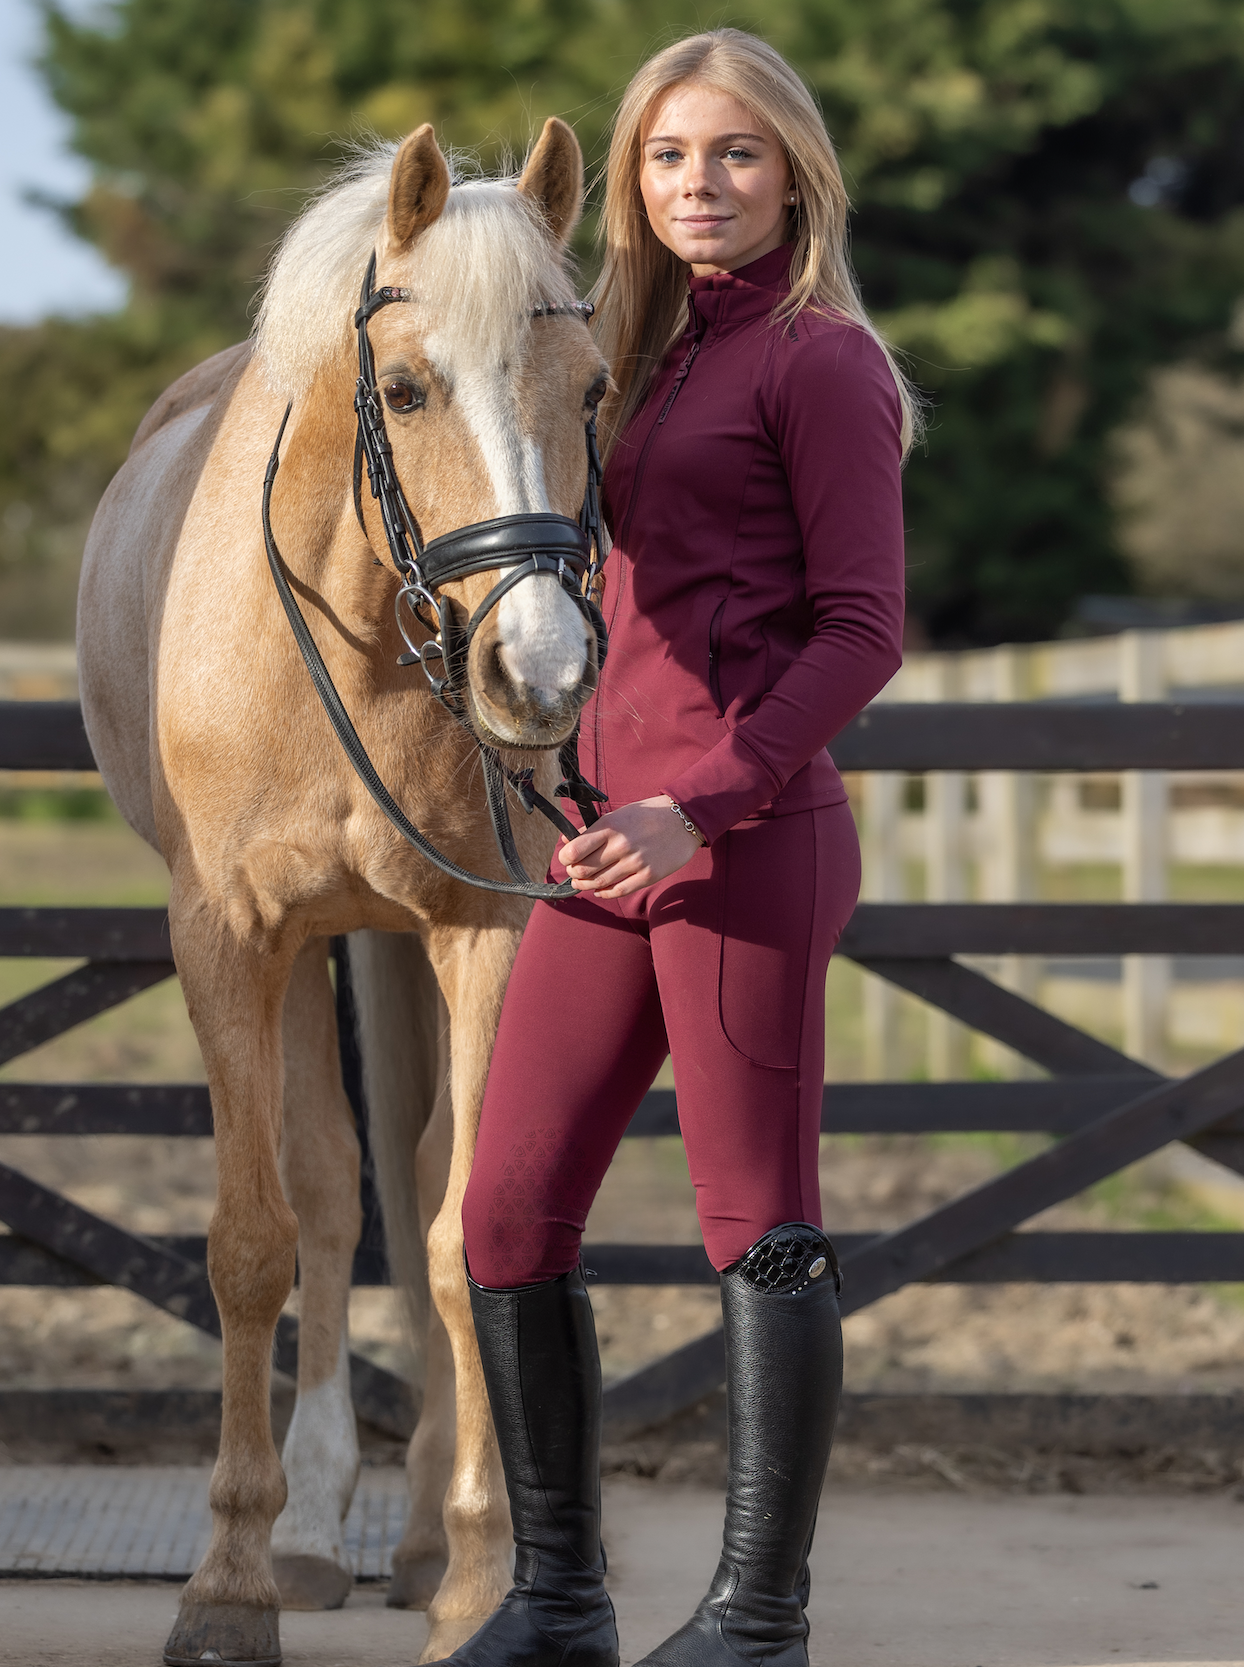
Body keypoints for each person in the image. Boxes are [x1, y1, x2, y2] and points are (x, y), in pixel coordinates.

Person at [449, 27, 914, 1667]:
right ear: (632, 182)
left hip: (747, 844)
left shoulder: (819, 360)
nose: (696, 182)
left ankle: (758, 1622)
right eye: (665, 155)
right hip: (607, 846)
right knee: (506, 1214)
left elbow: (863, 631)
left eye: (733, 151)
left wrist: (696, 802)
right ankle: (558, 1599)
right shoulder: (626, 358)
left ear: (793, 173)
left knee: (757, 1219)